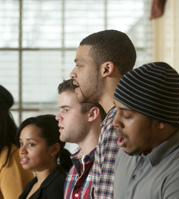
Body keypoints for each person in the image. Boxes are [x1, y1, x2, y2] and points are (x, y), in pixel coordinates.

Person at [113, 62, 179, 199]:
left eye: (127, 115)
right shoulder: (126, 152)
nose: (115, 122)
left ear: (161, 122)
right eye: (116, 109)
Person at [70, 29, 136, 198]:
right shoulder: (123, 118)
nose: (72, 73)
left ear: (106, 69)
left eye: (79, 65)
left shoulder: (117, 124)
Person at [56, 79, 106, 199]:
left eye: (66, 110)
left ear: (92, 114)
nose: (58, 117)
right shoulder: (74, 170)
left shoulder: (109, 167)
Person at [18, 114, 72, 199]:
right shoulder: (32, 184)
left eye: (31, 144)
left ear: (54, 149)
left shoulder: (58, 187)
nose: (22, 150)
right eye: (21, 143)